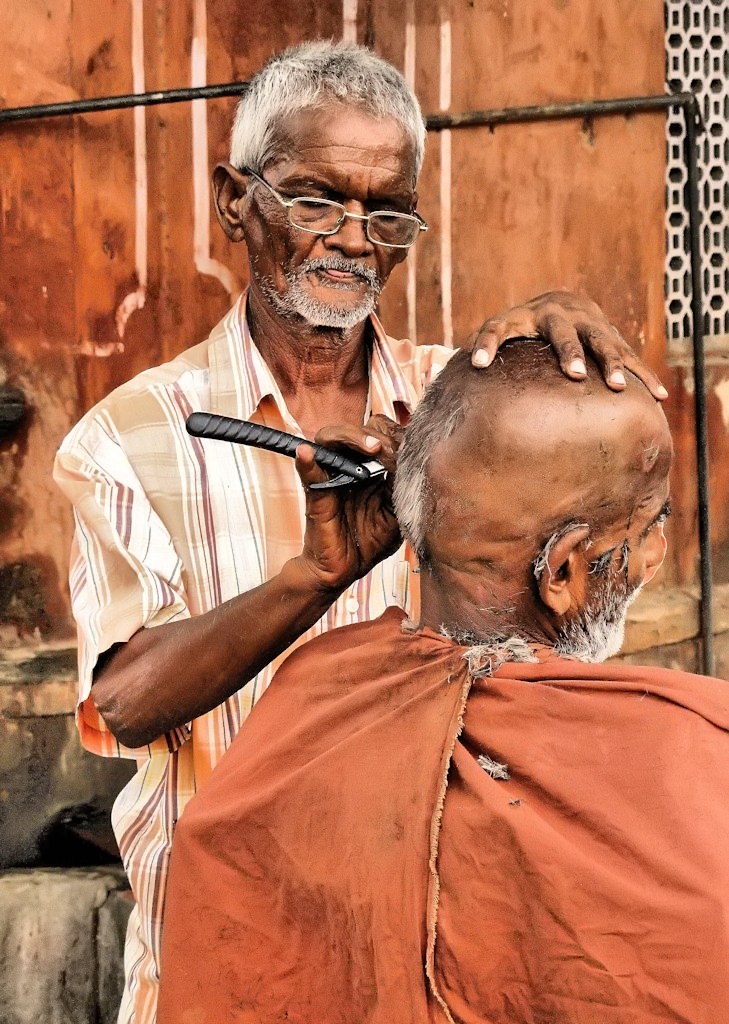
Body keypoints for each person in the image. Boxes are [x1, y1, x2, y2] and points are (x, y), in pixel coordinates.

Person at [53, 40, 667, 1024]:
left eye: (386, 213)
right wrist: (316, 573)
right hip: (223, 975)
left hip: (423, 972)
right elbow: (121, 703)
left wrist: (566, 377)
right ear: (233, 203)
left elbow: (578, 608)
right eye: (313, 199)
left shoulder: (460, 410)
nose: (350, 237)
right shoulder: (128, 440)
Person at [158, 342, 729, 1024]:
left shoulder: (312, 695)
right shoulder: (700, 753)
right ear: (562, 573)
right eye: (647, 527)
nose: (656, 553)